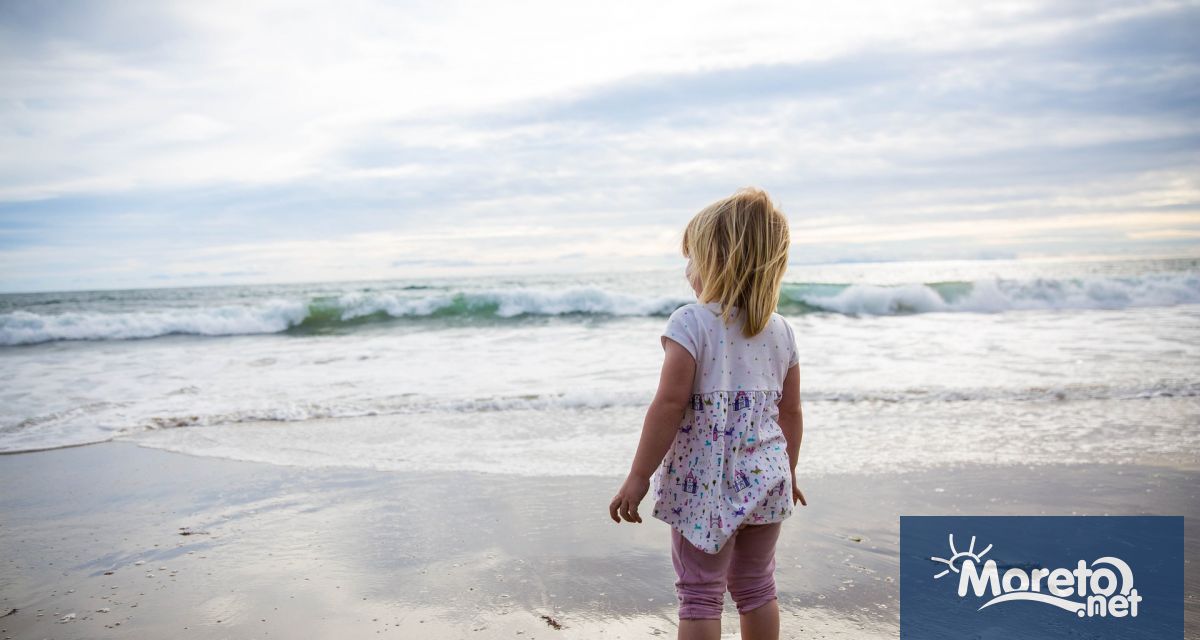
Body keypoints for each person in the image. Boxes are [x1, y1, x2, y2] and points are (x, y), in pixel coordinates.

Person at [609, 186, 806, 640]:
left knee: (699, 594)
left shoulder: (690, 322)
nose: (687, 271)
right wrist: (788, 472)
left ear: (717, 261)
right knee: (757, 587)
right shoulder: (781, 331)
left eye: (692, 258)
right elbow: (790, 412)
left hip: (706, 485)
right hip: (767, 480)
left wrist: (639, 477)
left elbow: (669, 405)